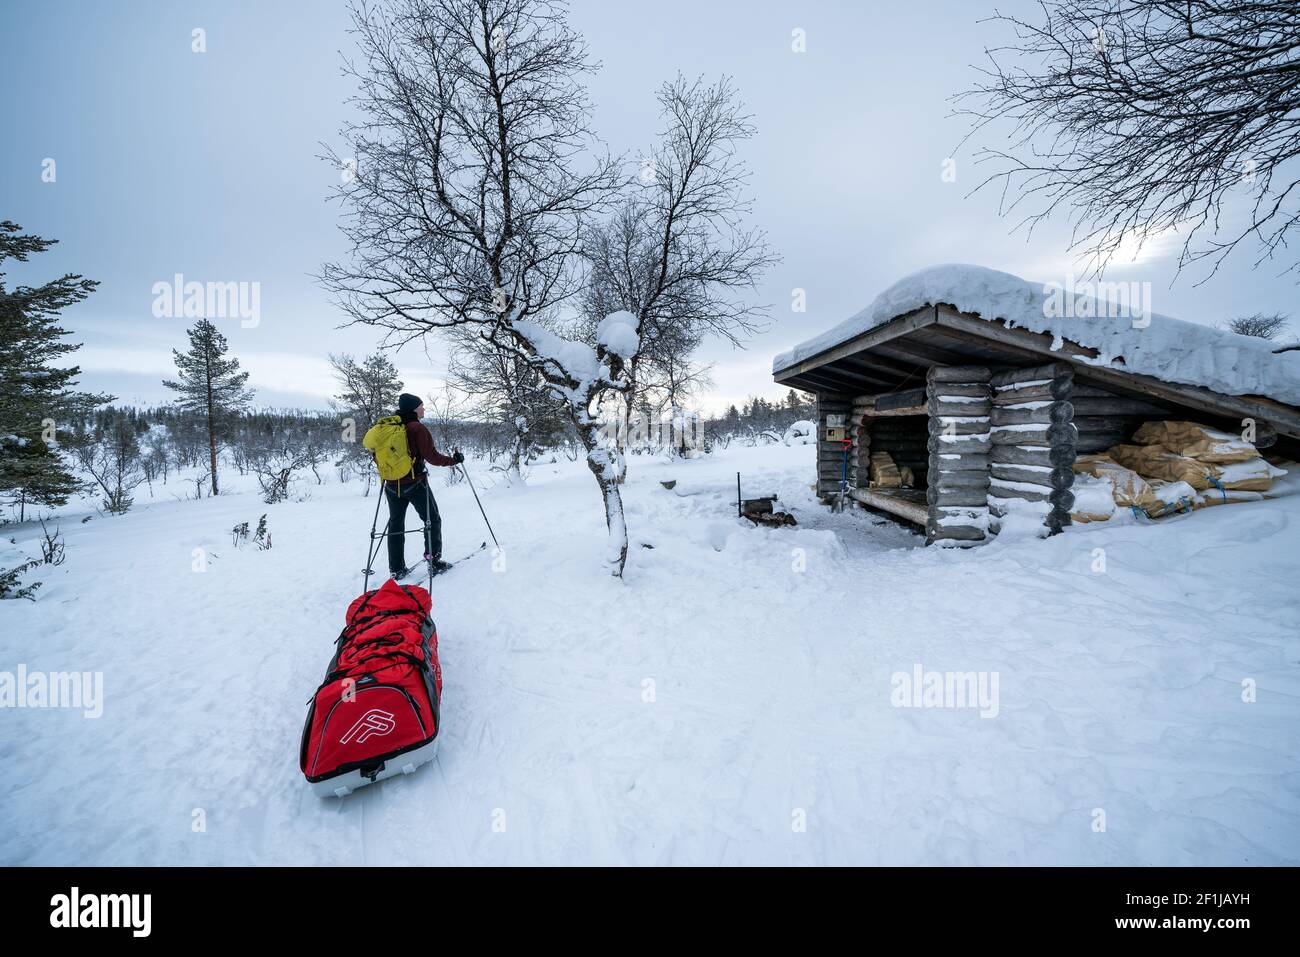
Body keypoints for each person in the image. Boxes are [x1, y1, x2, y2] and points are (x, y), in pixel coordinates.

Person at [382, 393, 464, 578]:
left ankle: (396, 568)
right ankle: (433, 561)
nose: (424, 408)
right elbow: (432, 456)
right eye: (421, 406)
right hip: (414, 483)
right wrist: (453, 461)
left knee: (396, 525)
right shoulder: (417, 428)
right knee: (432, 520)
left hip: (392, 486)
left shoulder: (389, 427)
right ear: (413, 409)